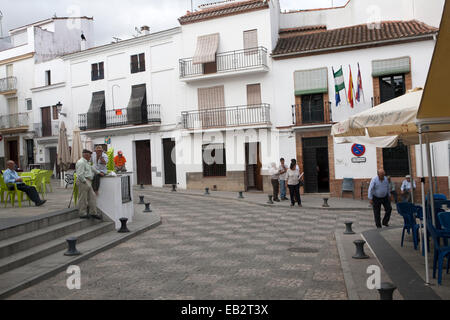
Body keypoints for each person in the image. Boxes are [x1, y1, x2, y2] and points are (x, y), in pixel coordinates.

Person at [76, 149, 103, 220]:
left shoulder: (86, 162)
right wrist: (85, 181)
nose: (90, 156)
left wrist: (98, 172)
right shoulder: (81, 162)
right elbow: (79, 174)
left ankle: (93, 212)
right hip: (84, 181)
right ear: (86, 155)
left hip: (88, 181)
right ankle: (82, 213)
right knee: (83, 198)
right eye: (90, 155)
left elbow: (91, 168)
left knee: (92, 197)